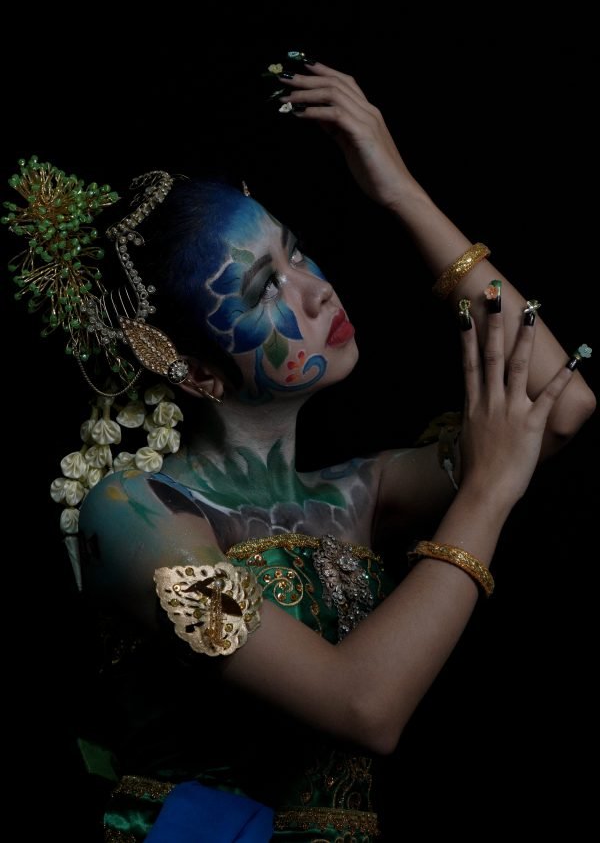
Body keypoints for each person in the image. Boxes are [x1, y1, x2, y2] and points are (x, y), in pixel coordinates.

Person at [5, 52, 595, 842]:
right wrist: (486, 494)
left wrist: (399, 189)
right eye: (264, 289)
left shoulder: (358, 492)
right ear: (195, 370)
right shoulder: (134, 516)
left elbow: (560, 403)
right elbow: (363, 707)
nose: (316, 290)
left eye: (296, 252)